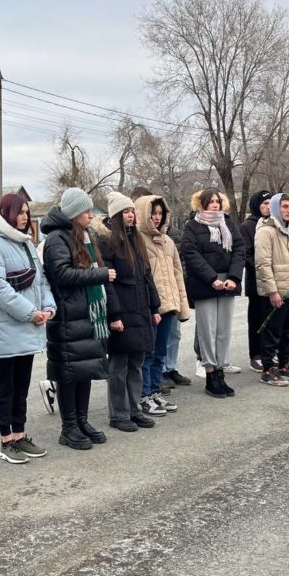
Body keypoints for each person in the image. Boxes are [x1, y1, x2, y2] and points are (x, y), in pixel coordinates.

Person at [0, 194, 57, 464]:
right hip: (7, 328)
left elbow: (41, 280)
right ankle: (6, 440)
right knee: (5, 386)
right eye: (19, 212)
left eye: (27, 212)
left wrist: (48, 307)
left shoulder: (25, 244)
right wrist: (29, 312)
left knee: (21, 385)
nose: (24, 217)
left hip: (28, 326)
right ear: (6, 213)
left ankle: (20, 434)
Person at [41, 187, 116, 449]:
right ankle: (68, 427)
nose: (90, 214)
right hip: (67, 315)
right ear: (74, 213)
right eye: (85, 210)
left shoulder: (84, 235)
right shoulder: (57, 239)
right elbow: (62, 275)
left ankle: (82, 421)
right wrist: (100, 275)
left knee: (85, 370)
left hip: (88, 313)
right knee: (69, 373)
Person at [97, 192, 164, 429]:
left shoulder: (136, 240)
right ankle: (119, 415)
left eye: (132, 211)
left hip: (140, 309)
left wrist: (155, 307)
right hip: (122, 311)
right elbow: (108, 282)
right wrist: (113, 315)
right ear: (115, 215)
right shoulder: (106, 242)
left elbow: (147, 276)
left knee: (136, 363)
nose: (130, 215)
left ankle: (135, 409)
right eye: (125, 211)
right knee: (119, 366)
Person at [181, 188, 245, 398]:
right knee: (207, 330)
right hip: (205, 283)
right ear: (201, 204)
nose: (215, 205)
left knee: (223, 329)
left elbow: (239, 250)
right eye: (210, 202)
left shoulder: (228, 223)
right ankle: (210, 374)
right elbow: (191, 254)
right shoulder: (192, 226)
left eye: (218, 201)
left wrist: (233, 278)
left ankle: (220, 372)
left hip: (227, 282)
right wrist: (212, 279)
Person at [136, 193, 191, 414]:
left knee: (160, 353)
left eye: (160, 213)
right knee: (147, 354)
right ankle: (144, 394)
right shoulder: (138, 240)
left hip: (169, 306)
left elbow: (178, 274)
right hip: (151, 308)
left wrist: (181, 305)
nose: (157, 217)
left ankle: (156, 391)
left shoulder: (168, 241)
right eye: (153, 213)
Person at [254, 193, 289, 386]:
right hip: (276, 290)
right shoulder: (265, 231)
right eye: (284, 207)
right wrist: (272, 291)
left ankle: (284, 365)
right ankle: (268, 369)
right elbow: (262, 264)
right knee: (272, 331)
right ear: (276, 208)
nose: (288, 210)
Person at [240, 190, 272, 372]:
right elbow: (247, 255)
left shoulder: (273, 224)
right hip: (256, 281)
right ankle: (256, 355)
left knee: (271, 319)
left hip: (273, 282)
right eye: (264, 204)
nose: (267, 207)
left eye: (270, 203)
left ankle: (269, 351)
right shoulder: (248, 226)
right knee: (257, 320)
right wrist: (262, 269)